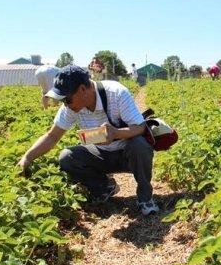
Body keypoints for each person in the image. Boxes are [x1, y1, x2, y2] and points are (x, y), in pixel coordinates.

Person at [17, 65, 159, 215]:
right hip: (100, 154)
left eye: (67, 99)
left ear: (82, 89)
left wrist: (115, 133)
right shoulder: (71, 107)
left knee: (139, 144)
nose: (65, 104)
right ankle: (104, 187)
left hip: (128, 155)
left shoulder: (116, 93)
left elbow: (140, 127)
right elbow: (52, 136)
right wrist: (27, 157)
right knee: (67, 157)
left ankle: (145, 197)